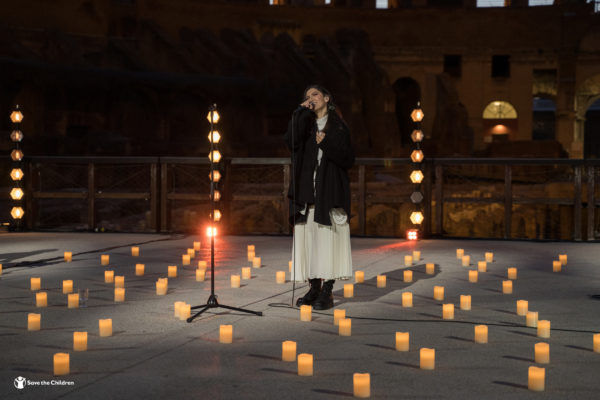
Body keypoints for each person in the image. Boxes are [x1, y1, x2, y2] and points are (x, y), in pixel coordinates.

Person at [284, 84, 354, 310]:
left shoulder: (339, 126)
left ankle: (327, 291)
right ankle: (314, 288)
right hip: (308, 191)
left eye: (315, 94)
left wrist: (325, 142)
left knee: (328, 240)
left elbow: (347, 159)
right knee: (310, 241)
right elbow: (290, 142)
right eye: (307, 96)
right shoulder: (305, 125)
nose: (310, 98)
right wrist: (300, 112)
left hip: (330, 190)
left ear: (326, 97)